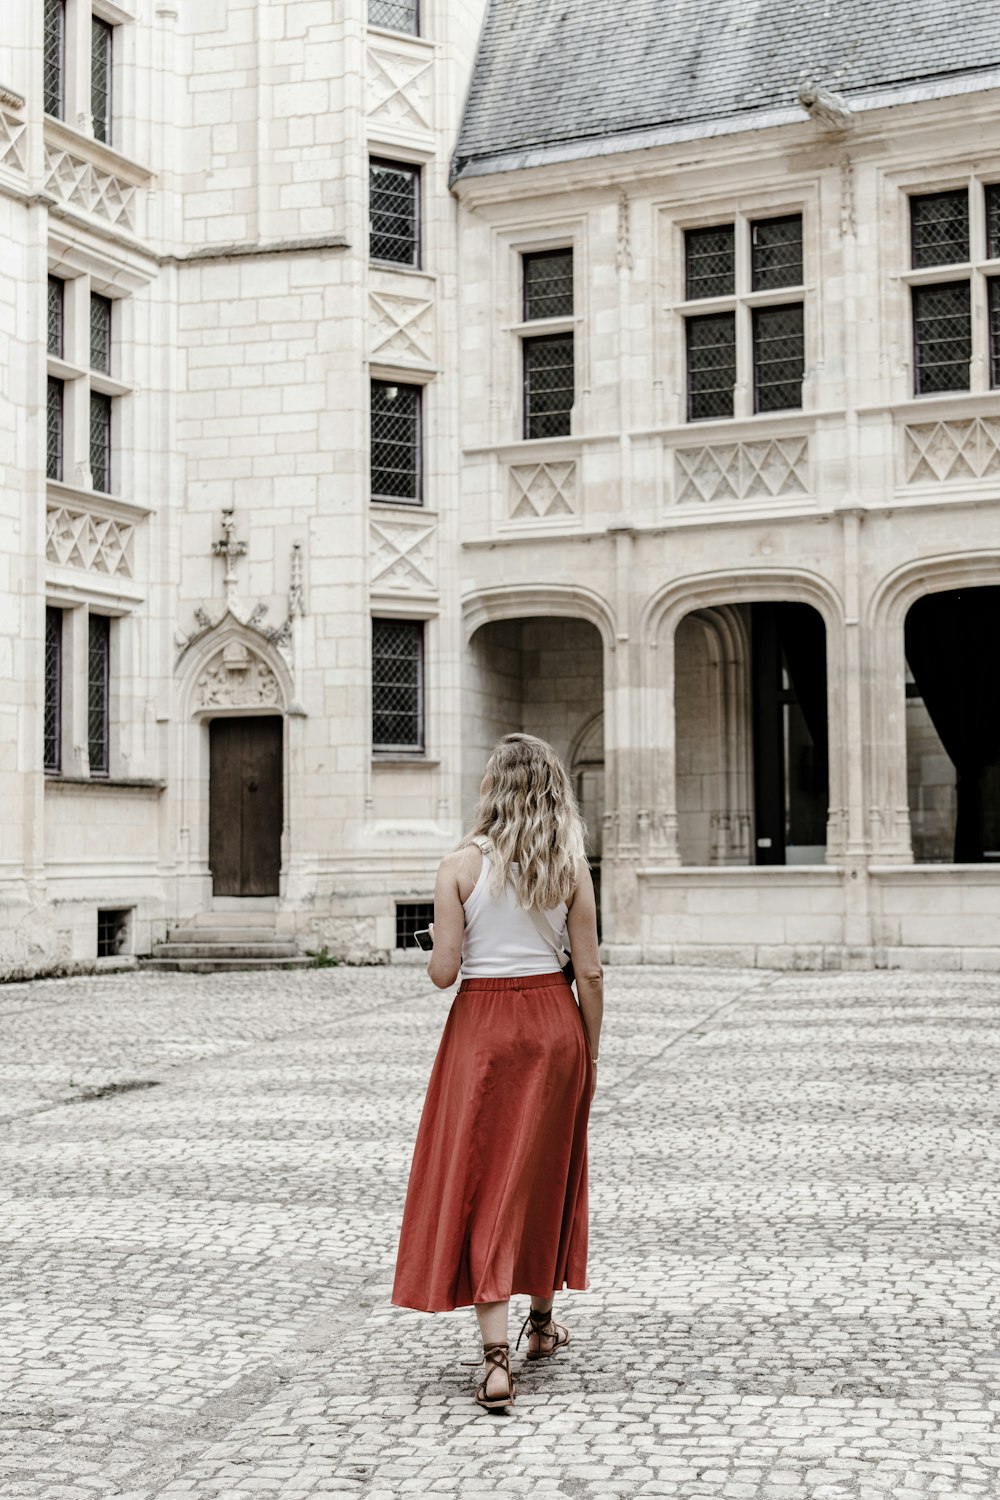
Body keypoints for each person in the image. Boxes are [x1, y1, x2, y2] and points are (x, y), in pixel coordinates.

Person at [391, 733, 604, 1411]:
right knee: (547, 1170)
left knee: (486, 1179)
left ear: (492, 788)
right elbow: (591, 972)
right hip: (553, 1025)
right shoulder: (569, 864)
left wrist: (432, 944)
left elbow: (444, 973)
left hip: (483, 1033)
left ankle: (494, 1360)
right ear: (551, 789)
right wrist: (589, 1050)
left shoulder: (459, 865)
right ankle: (541, 1325)